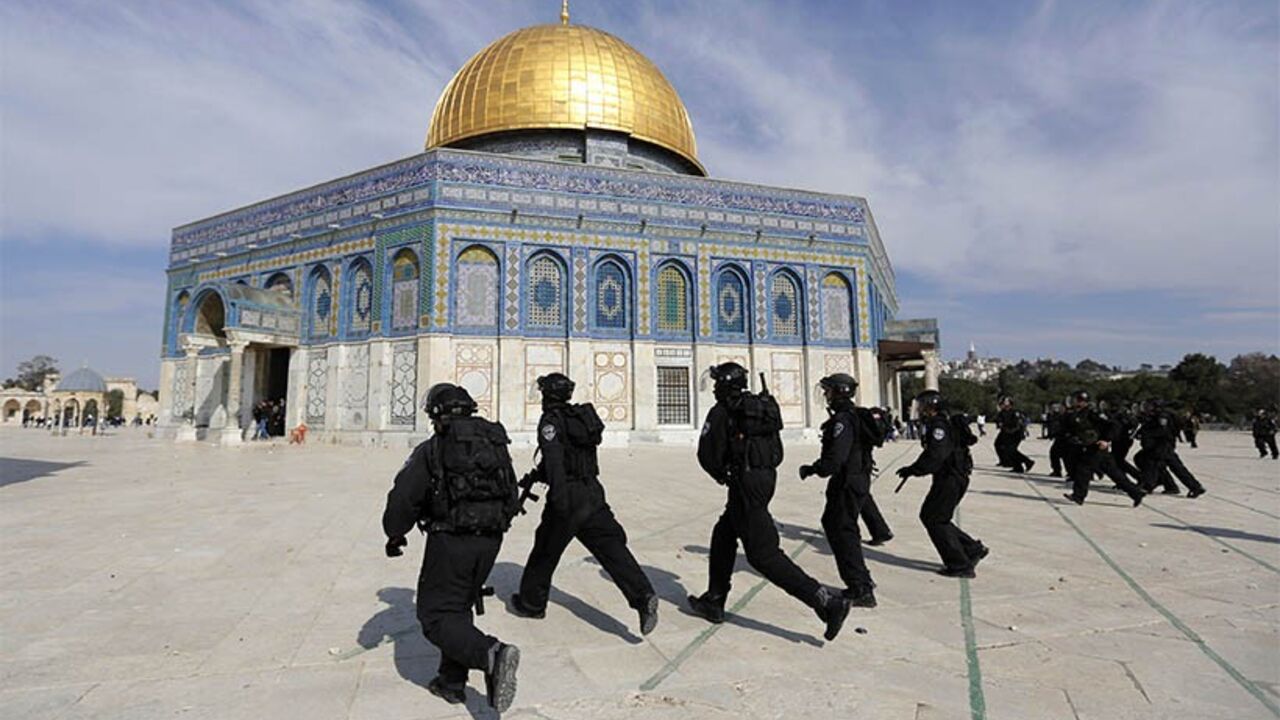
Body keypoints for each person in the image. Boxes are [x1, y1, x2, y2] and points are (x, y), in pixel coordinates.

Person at [381, 383, 520, 712]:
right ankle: (451, 681)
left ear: (435, 414)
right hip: (491, 540)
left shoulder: (434, 448)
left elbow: (404, 495)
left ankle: (491, 653)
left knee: (436, 614)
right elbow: (511, 493)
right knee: (457, 605)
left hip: (451, 539)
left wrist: (395, 533)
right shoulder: (495, 441)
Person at [687, 362, 851, 640]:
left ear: (725, 384)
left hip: (744, 483)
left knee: (764, 555)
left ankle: (825, 602)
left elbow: (707, 454)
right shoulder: (760, 407)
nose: (714, 388)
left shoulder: (724, 410)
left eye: (717, 383)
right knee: (724, 534)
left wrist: (723, 473)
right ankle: (714, 599)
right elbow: (777, 451)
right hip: (764, 479)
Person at [512, 373, 658, 636]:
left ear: (547, 395)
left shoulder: (551, 422)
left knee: (545, 549)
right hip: (592, 491)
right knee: (612, 549)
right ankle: (643, 596)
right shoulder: (581, 418)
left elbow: (556, 461)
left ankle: (531, 603)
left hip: (568, 495)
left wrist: (557, 502)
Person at [798, 373, 880, 607]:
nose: (826, 395)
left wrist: (815, 469)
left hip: (847, 482)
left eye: (829, 391)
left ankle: (860, 588)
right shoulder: (853, 416)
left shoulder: (843, 421)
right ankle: (861, 580)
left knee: (842, 531)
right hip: (857, 478)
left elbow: (836, 458)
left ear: (839, 392)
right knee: (841, 528)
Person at [895, 390, 989, 578]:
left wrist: (915, 470)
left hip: (951, 477)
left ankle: (960, 565)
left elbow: (936, 455)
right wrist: (914, 468)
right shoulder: (942, 422)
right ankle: (971, 548)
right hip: (951, 476)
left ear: (931, 406)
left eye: (922, 406)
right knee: (935, 517)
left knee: (935, 519)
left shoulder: (939, 426)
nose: (920, 410)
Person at [1059, 391, 1145, 507]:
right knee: (1114, 473)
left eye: (1076, 399)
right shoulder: (1077, 413)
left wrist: (1106, 440)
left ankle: (1078, 496)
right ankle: (1136, 493)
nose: (1073, 402)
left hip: (1097, 447)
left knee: (1083, 469)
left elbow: (1113, 425)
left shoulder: (1093, 413)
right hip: (1090, 446)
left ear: (1082, 401)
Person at [1135, 400, 1205, 498]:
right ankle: (1182, 486)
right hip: (1160, 446)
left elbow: (1162, 430)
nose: (1147, 409)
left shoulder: (1163, 416)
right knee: (1148, 461)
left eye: (1149, 406)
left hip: (1162, 446)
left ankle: (1148, 486)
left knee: (1153, 464)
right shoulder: (1157, 415)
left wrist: (1146, 433)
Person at [994, 397, 1034, 473]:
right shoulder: (1002, 412)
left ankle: (1027, 462)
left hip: (1016, 434)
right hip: (1007, 434)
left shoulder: (1015, 413)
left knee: (1011, 450)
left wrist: (1010, 430)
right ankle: (1018, 466)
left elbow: (1018, 425)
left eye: (1006, 402)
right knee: (1007, 450)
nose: (1004, 404)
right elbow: (999, 421)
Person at [1045, 403, 1067, 478]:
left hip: (1064, 438)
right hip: (1060, 438)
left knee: (1063, 455)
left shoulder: (1064, 416)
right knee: (1055, 453)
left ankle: (1058, 471)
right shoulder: (1055, 416)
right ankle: (1057, 470)